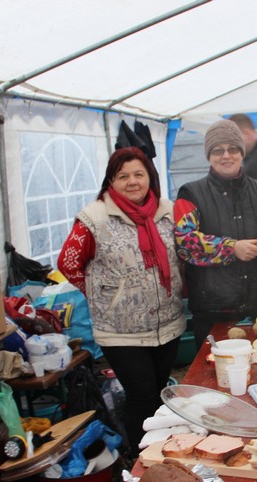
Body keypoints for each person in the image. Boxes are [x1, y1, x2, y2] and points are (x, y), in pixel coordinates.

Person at [57, 147, 185, 458]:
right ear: (111, 181)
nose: (132, 182)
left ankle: (161, 455)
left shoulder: (167, 212)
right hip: (120, 331)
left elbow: (184, 254)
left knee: (160, 393)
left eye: (139, 174)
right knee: (141, 396)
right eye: (123, 176)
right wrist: (102, 295)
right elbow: (68, 263)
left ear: (150, 177)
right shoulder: (95, 217)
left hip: (167, 324)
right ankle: (139, 459)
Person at [174, 119, 257, 350]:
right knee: (214, 368)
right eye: (218, 150)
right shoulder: (190, 194)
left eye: (233, 149)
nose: (226, 155)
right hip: (212, 310)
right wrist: (232, 248)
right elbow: (185, 243)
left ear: (242, 152)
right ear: (209, 156)